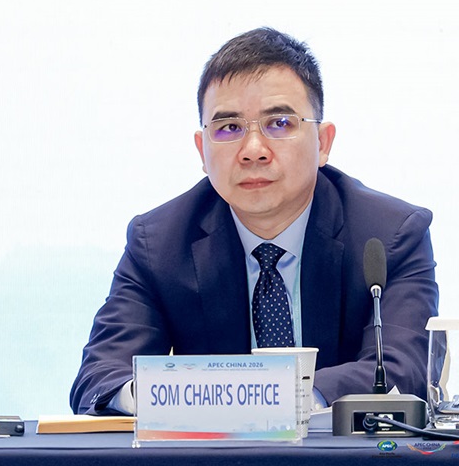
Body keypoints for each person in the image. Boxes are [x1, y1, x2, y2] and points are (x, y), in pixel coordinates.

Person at [70, 27, 439, 415]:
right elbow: (100, 379)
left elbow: (405, 370)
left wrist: (277, 400)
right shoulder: (159, 244)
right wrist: (210, 397)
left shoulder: (389, 236)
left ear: (323, 143)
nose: (253, 151)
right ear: (202, 150)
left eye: (279, 123)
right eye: (228, 128)